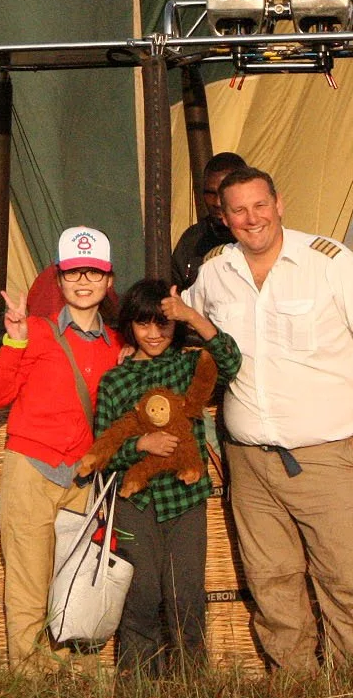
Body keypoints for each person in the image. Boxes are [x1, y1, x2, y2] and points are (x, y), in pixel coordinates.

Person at [188, 166, 353, 672]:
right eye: (238, 211)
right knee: (272, 584)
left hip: (328, 457)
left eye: (259, 206)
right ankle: (295, 691)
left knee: (348, 582)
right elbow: (186, 322)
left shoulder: (328, 262)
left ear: (279, 204)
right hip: (250, 462)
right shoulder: (216, 270)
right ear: (224, 218)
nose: (252, 219)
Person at [0, 225, 124, 668]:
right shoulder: (37, 331)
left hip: (82, 476)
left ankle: (75, 683)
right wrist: (14, 338)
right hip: (31, 467)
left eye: (93, 272)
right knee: (28, 584)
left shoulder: (117, 345)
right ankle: (29, 684)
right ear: (59, 280)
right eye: (73, 273)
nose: (83, 282)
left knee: (77, 581)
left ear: (108, 280)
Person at [90, 278, 241, 675]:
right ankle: (139, 693)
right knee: (139, 596)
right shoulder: (115, 380)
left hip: (184, 500)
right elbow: (103, 448)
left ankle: (191, 689)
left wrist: (192, 315)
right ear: (130, 325)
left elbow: (230, 361)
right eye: (143, 324)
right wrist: (140, 445)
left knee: (185, 596)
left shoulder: (187, 367)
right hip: (135, 502)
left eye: (163, 324)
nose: (153, 334)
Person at [170, 150, 247, 289]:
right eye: (210, 193)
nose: (217, 202)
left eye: (224, 193)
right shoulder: (192, 240)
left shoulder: (258, 234)